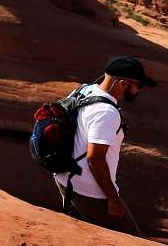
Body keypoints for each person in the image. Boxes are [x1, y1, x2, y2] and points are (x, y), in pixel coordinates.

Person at [54, 57, 155, 235]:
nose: (139, 90)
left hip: (64, 178)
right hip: (90, 191)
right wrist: (113, 199)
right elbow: (95, 158)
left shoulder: (83, 90)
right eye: (139, 85)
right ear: (123, 83)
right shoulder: (107, 112)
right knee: (130, 238)